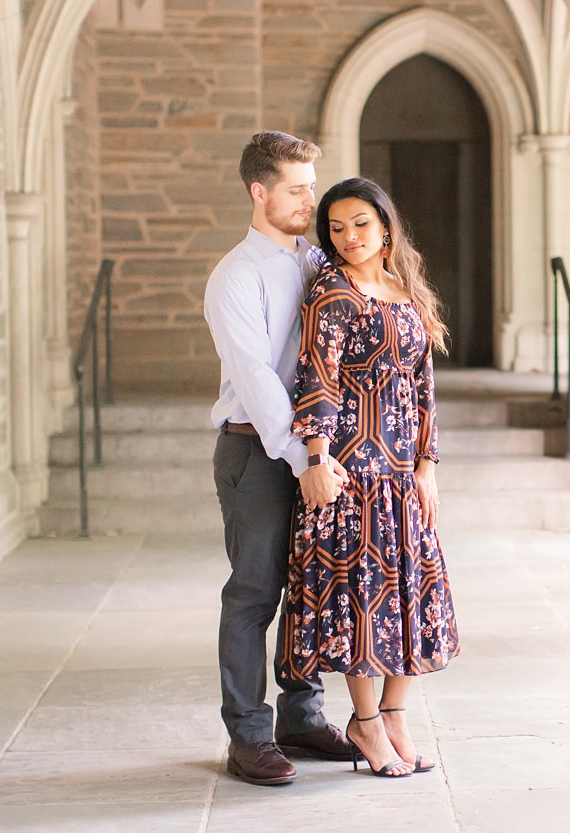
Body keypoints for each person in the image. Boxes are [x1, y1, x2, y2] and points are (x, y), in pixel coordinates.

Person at [275, 176, 461, 779]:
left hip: (405, 473)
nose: (348, 237)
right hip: (354, 472)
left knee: (411, 594)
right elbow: (318, 379)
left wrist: (428, 467)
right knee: (363, 601)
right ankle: (365, 723)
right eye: (335, 228)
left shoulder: (405, 291)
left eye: (360, 224)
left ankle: (396, 712)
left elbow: (423, 387)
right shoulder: (330, 293)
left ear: (385, 228)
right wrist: (317, 458)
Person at [203, 131, 359, 786]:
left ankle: (301, 715)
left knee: (310, 589)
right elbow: (262, 383)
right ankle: (248, 734)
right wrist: (305, 459)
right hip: (256, 451)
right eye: (296, 187)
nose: (309, 198)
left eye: (310, 185)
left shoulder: (315, 259)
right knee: (255, 592)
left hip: (315, 450)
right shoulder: (235, 276)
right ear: (258, 191)